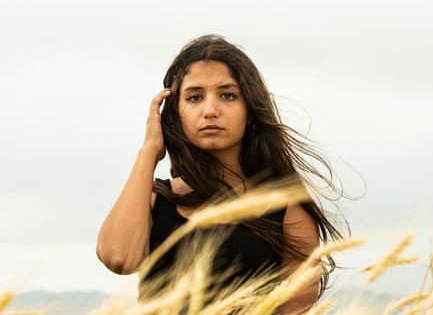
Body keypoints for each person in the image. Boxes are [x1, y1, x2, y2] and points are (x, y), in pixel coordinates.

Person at [96, 35, 346, 313]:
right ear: (176, 113)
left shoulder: (287, 213)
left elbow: (297, 311)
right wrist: (149, 152)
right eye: (194, 97)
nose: (210, 110)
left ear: (249, 110)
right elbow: (118, 259)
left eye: (228, 95)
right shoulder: (156, 200)